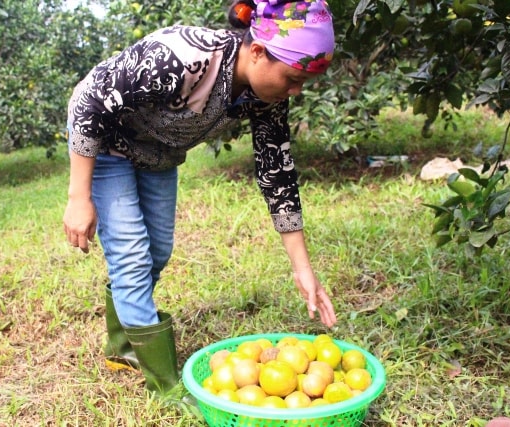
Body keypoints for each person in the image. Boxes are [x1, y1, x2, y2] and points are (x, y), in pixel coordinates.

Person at [62, 0, 338, 394]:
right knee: (132, 256)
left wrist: (303, 269)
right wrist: (78, 196)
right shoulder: (182, 56)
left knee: (157, 251)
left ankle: (122, 344)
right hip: (105, 145)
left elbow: (276, 172)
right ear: (258, 52)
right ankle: (166, 386)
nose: (295, 90)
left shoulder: (266, 96)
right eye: (293, 78)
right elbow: (88, 101)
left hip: (158, 152)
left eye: (302, 84)